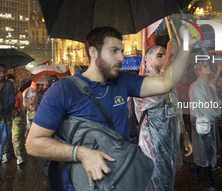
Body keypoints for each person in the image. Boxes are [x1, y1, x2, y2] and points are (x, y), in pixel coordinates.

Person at [26, 26, 193, 191]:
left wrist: (186, 48)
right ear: (93, 52)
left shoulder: (124, 81)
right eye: (114, 51)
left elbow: (165, 83)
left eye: (121, 51)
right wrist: (81, 153)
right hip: (83, 184)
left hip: (122, 178)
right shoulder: (63, 90)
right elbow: (33, 143)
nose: (121, 57)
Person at [133, 43, 193, 191]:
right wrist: (168, 61)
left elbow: (177, 113)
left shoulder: (171, 87)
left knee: (168, 181)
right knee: (155, 183)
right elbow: (157, 95)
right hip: (152, 147)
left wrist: (184, 135)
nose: (165, 58)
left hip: (170, 143)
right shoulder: (141, 83)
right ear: (148, 60)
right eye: (159, 55)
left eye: (165, 55)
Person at [188, 60, 221, 191]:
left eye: (208, 65)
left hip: (211, 120)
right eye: (205, 66)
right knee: (206, 151)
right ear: (199, 70)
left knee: (207, 150)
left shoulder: (209, 84)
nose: (209, 68)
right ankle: (209, 183)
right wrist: (215, 115)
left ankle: (195, 167)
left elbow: (215, 102)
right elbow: (203, 108)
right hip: (201, 122)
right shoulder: (196, 87)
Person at [2, 74, 26, 165]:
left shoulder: (18, 93)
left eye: (13, 82)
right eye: (9, 82)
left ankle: (19, 156)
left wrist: (24, 117)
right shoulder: (2, 92)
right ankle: (5, 153)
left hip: (16, 117)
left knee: (15, 137)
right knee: (6, 136)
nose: (11, 84)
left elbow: (21, 106)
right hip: (6, 117)